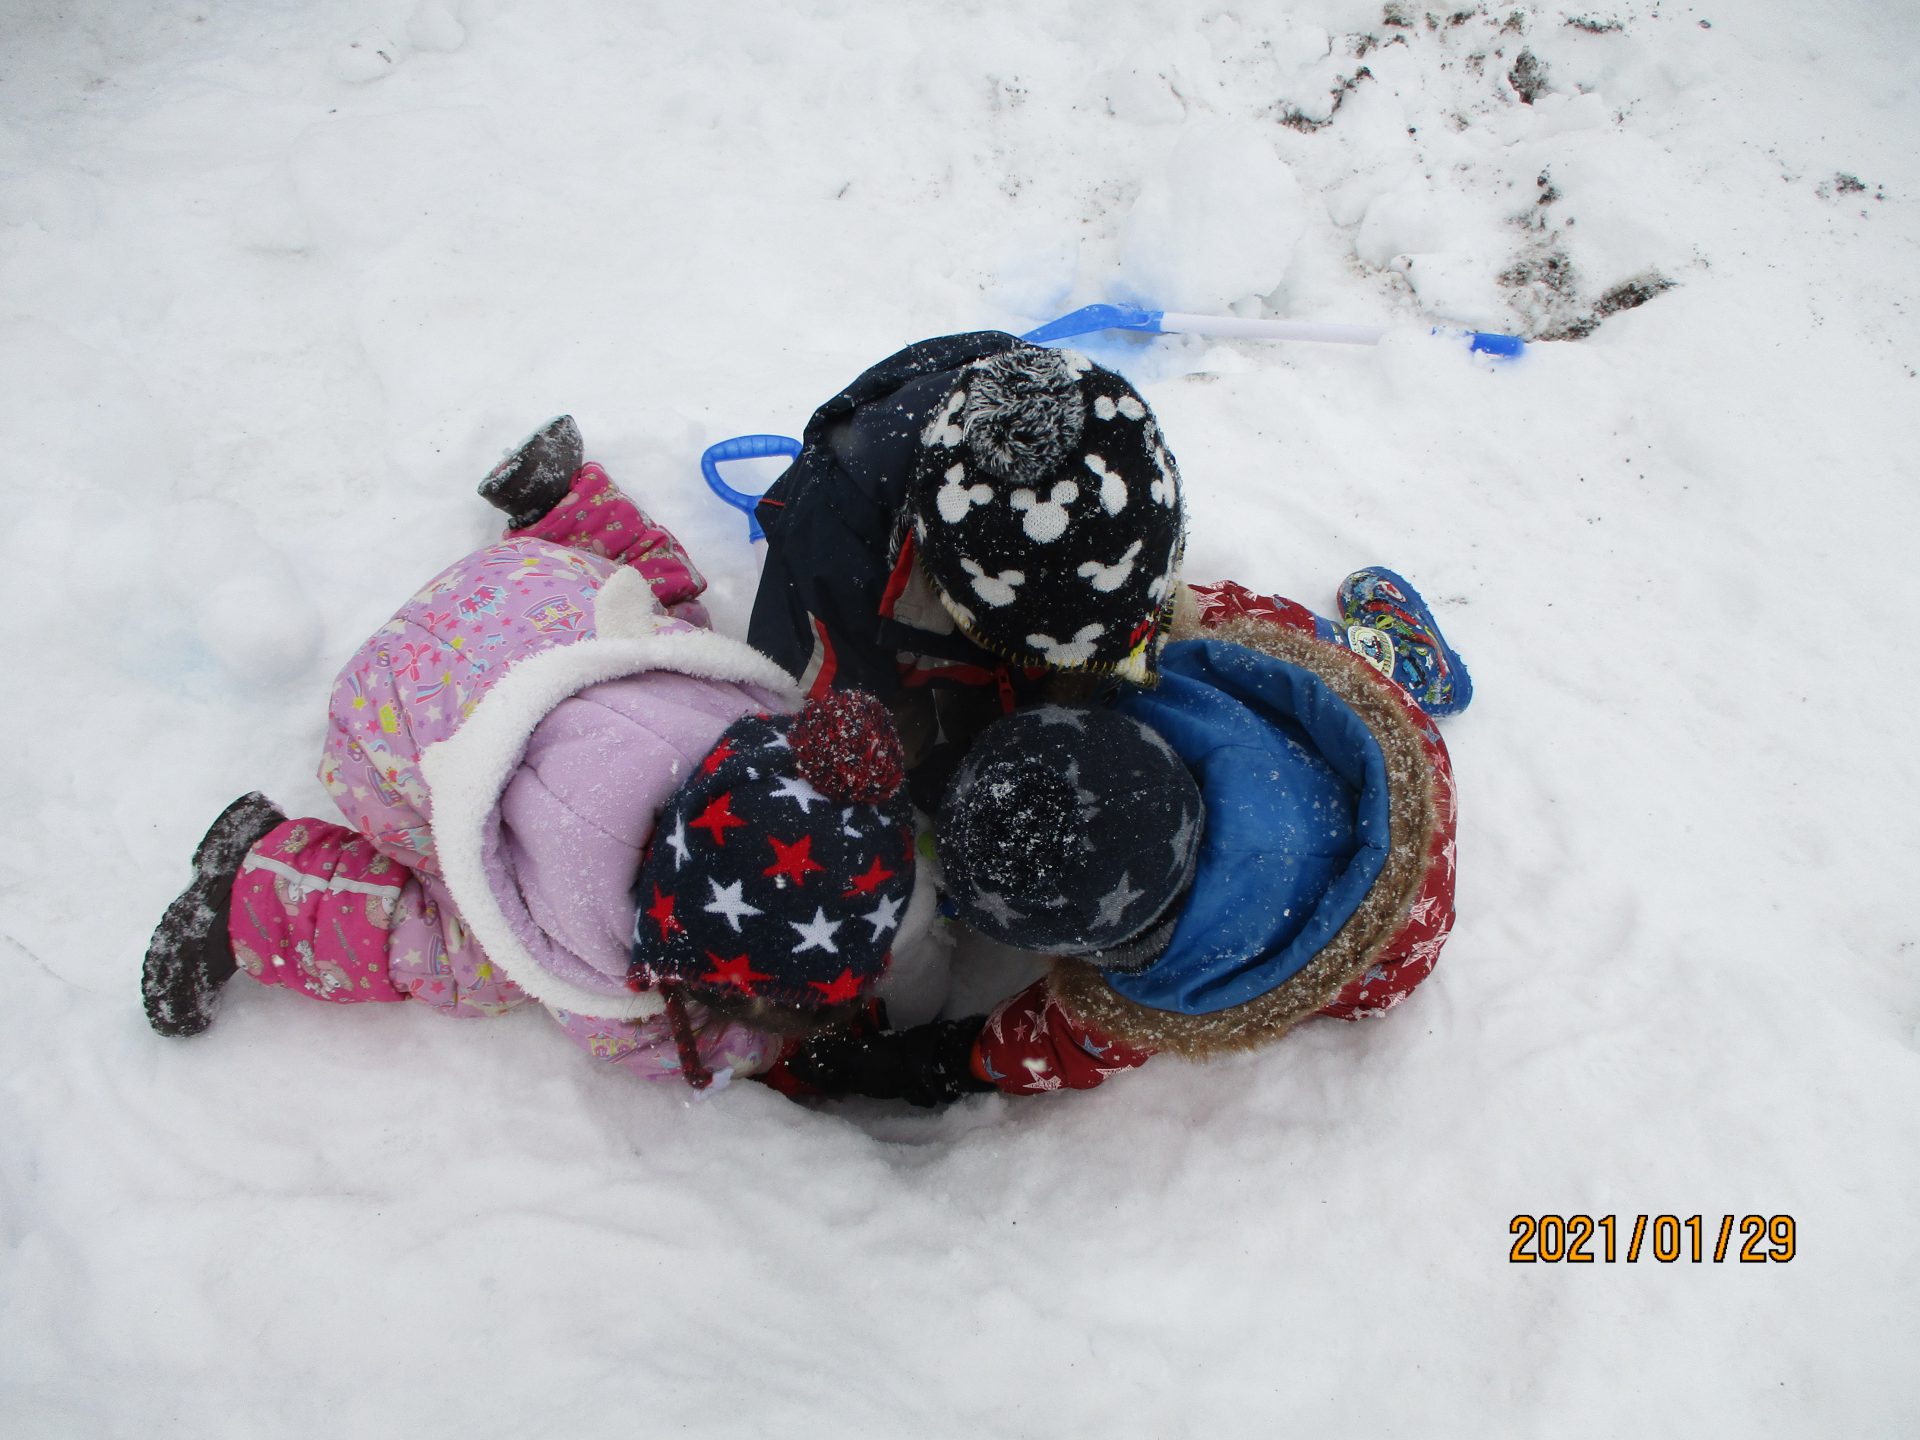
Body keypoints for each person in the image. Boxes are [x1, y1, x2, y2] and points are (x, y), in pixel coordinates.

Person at [142, 418, 920, 1092]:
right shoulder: (592, 945)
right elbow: (641, 1042)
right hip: (388, 724)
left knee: (672, 623)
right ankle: (256, 889)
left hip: (520, 596)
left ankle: (561, 505)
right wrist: (764, 1050)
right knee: (474, 958)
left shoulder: (765, 742)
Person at [783, 569, 1470, 1105]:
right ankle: (1382, 661)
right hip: (1379, 745)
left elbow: (1056, 1046)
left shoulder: (1167, 980)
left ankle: (1400, 661)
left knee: (1367, 985)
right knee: (1248, 630)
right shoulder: (1180, 686)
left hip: (1394, 933)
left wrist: (929, 1062)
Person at [746, 333, 1186, 802]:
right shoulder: (832, 539)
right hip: (879, 603)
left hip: (1006, 591)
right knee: (877, 750)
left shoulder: (1118, 464)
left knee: (1046, 702)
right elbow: (819, 717)